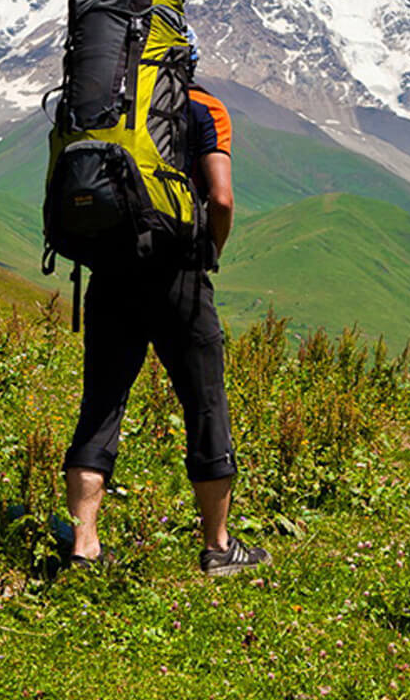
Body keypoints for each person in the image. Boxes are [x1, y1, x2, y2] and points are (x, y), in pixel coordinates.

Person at [60, 62, 270, 576]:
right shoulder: (203, 106)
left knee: (101, 404)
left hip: (109, 271)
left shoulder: (100, 106)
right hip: (178, 271)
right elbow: (220, 197)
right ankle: (218, 547)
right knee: (205, 404)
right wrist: (209, 251)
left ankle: (84, 544)